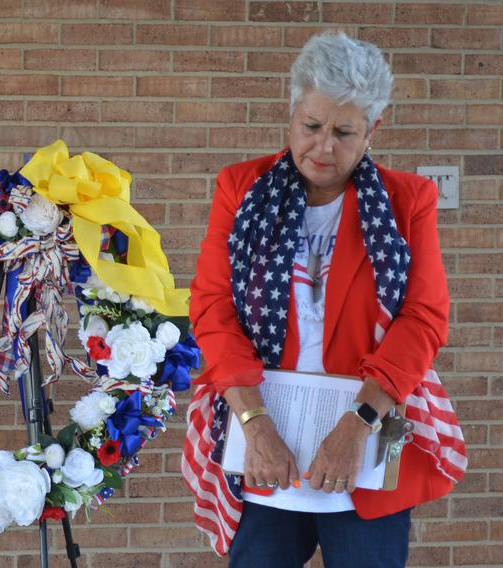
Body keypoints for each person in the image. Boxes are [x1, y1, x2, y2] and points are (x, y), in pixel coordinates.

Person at [182, 32, 468, 567]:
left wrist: (358, 424)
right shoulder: (240, 189)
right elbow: (212, 308)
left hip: (363, 438)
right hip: (267, 434)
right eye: (311, 127)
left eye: (344, 132)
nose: (323, 147)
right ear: (292, 115)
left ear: (372, 131)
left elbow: (423, 318)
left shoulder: (408, 201)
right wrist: (255, 424)